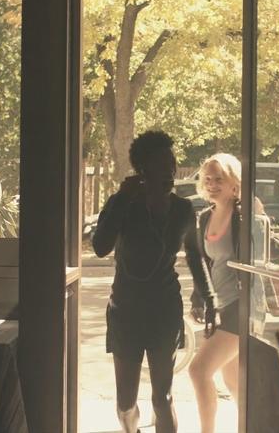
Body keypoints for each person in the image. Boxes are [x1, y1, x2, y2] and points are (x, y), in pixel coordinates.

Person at [93, 131, 217, 433]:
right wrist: (123, 198)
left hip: (164, 309)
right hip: (126, 309)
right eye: (162, 161)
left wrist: (210, 299)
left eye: (170, 160)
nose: (170, 167)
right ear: (143, 167)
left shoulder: (182, 209)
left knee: (162, 397)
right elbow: (100, 246)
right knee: (125, 401)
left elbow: (195, 255)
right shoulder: (122, 203)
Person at [188, 153, 267, 433]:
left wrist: (255, 215)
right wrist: (199, 298)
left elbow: (263, 255)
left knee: (198, 372)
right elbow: (206, 263)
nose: (211, 184)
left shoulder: (244, 215)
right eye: (207, 179)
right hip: (219, 306)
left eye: (218, 179)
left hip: (241, 306)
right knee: (233, 381)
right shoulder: (204, 218)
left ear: (235, 183)